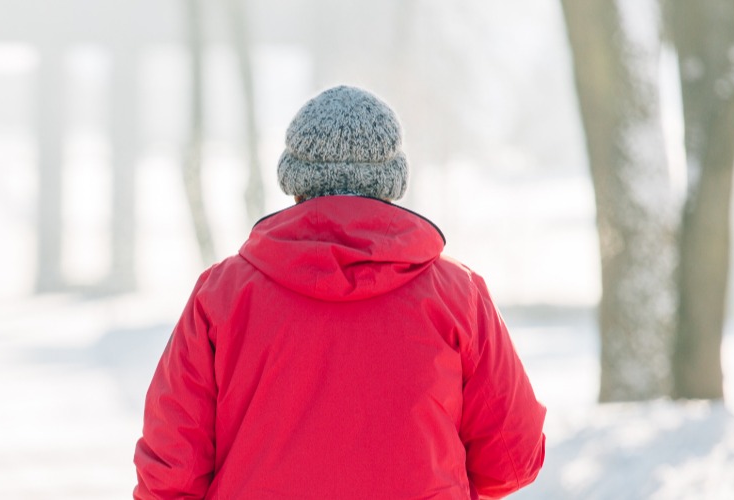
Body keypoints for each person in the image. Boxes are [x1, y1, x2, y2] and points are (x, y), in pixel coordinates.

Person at [133, 86, 546, 499]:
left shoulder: (221, 296)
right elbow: (513, 457)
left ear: (294, 181)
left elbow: (171, 473)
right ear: (391, 182)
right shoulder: (458, 297)